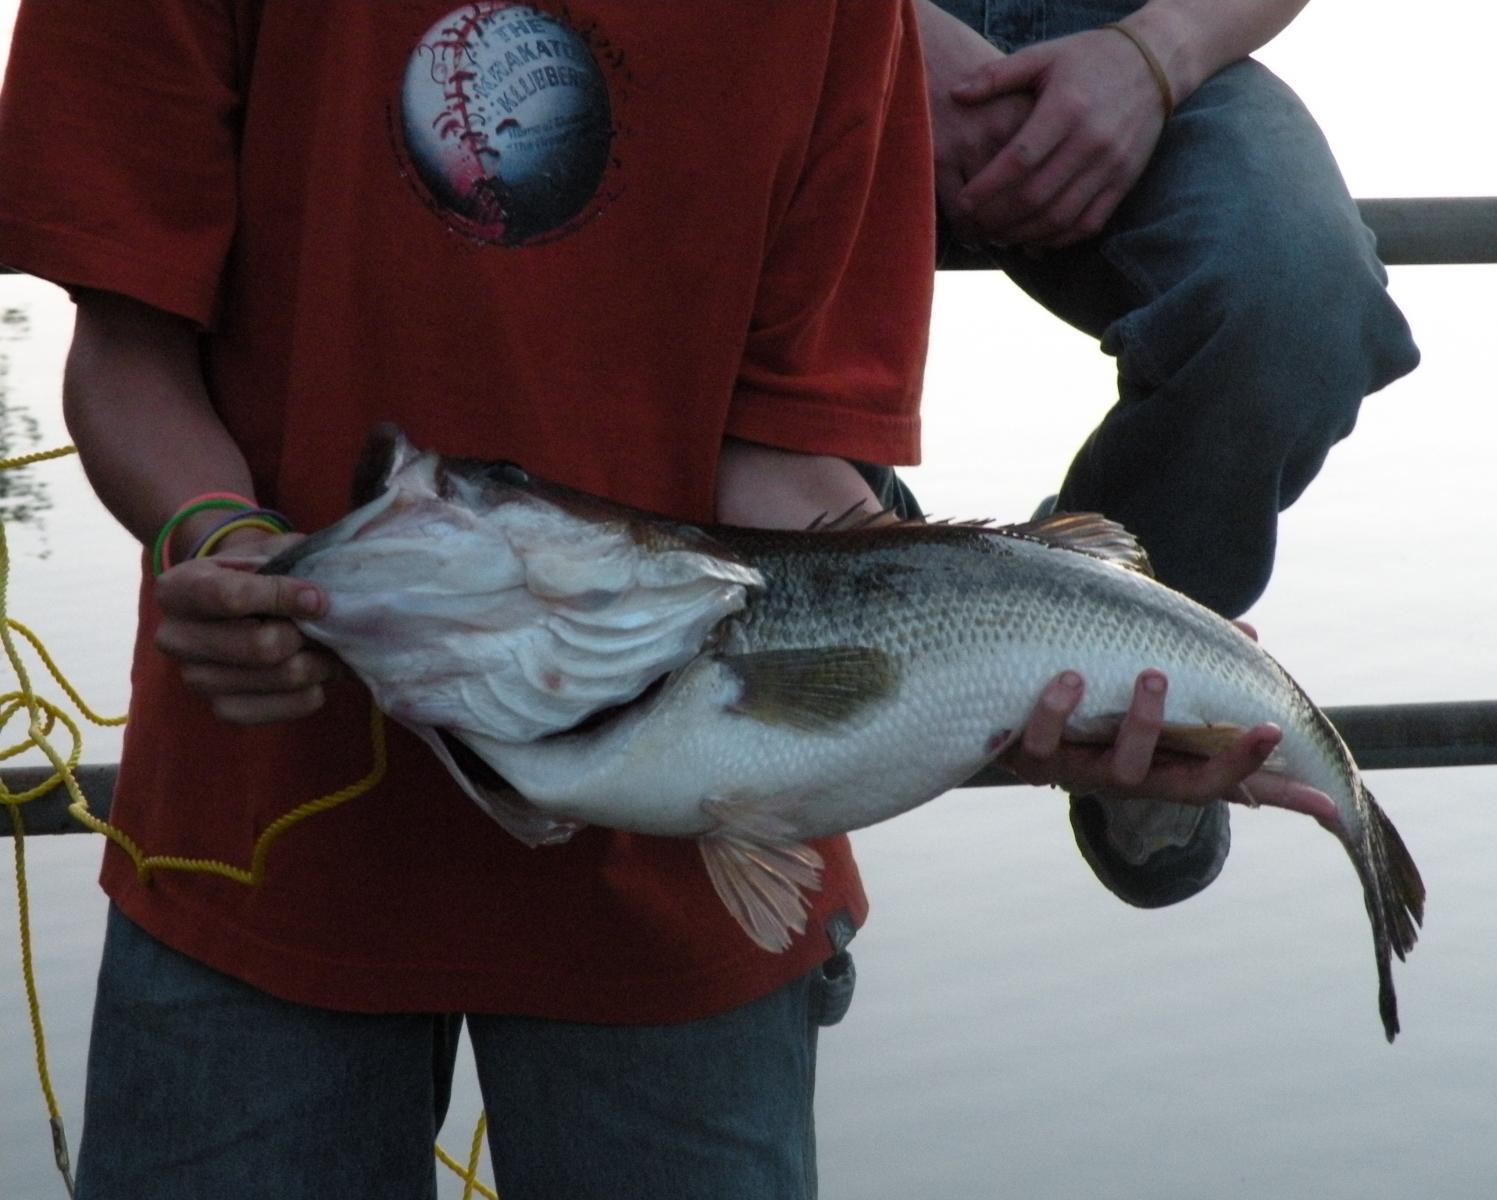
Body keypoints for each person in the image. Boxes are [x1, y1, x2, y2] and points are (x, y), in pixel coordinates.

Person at [0, 3, 1302, 1196]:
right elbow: (123, 351)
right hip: (252, 850)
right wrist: (212, 532)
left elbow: (784, 455)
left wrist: (1036, 676)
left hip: (688, 907)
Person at [899, 0, 1422, 909]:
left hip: (1135, 26)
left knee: (1296, 289)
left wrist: (1153, 52)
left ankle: (1131, 708)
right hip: (774, 34)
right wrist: (876, 32)